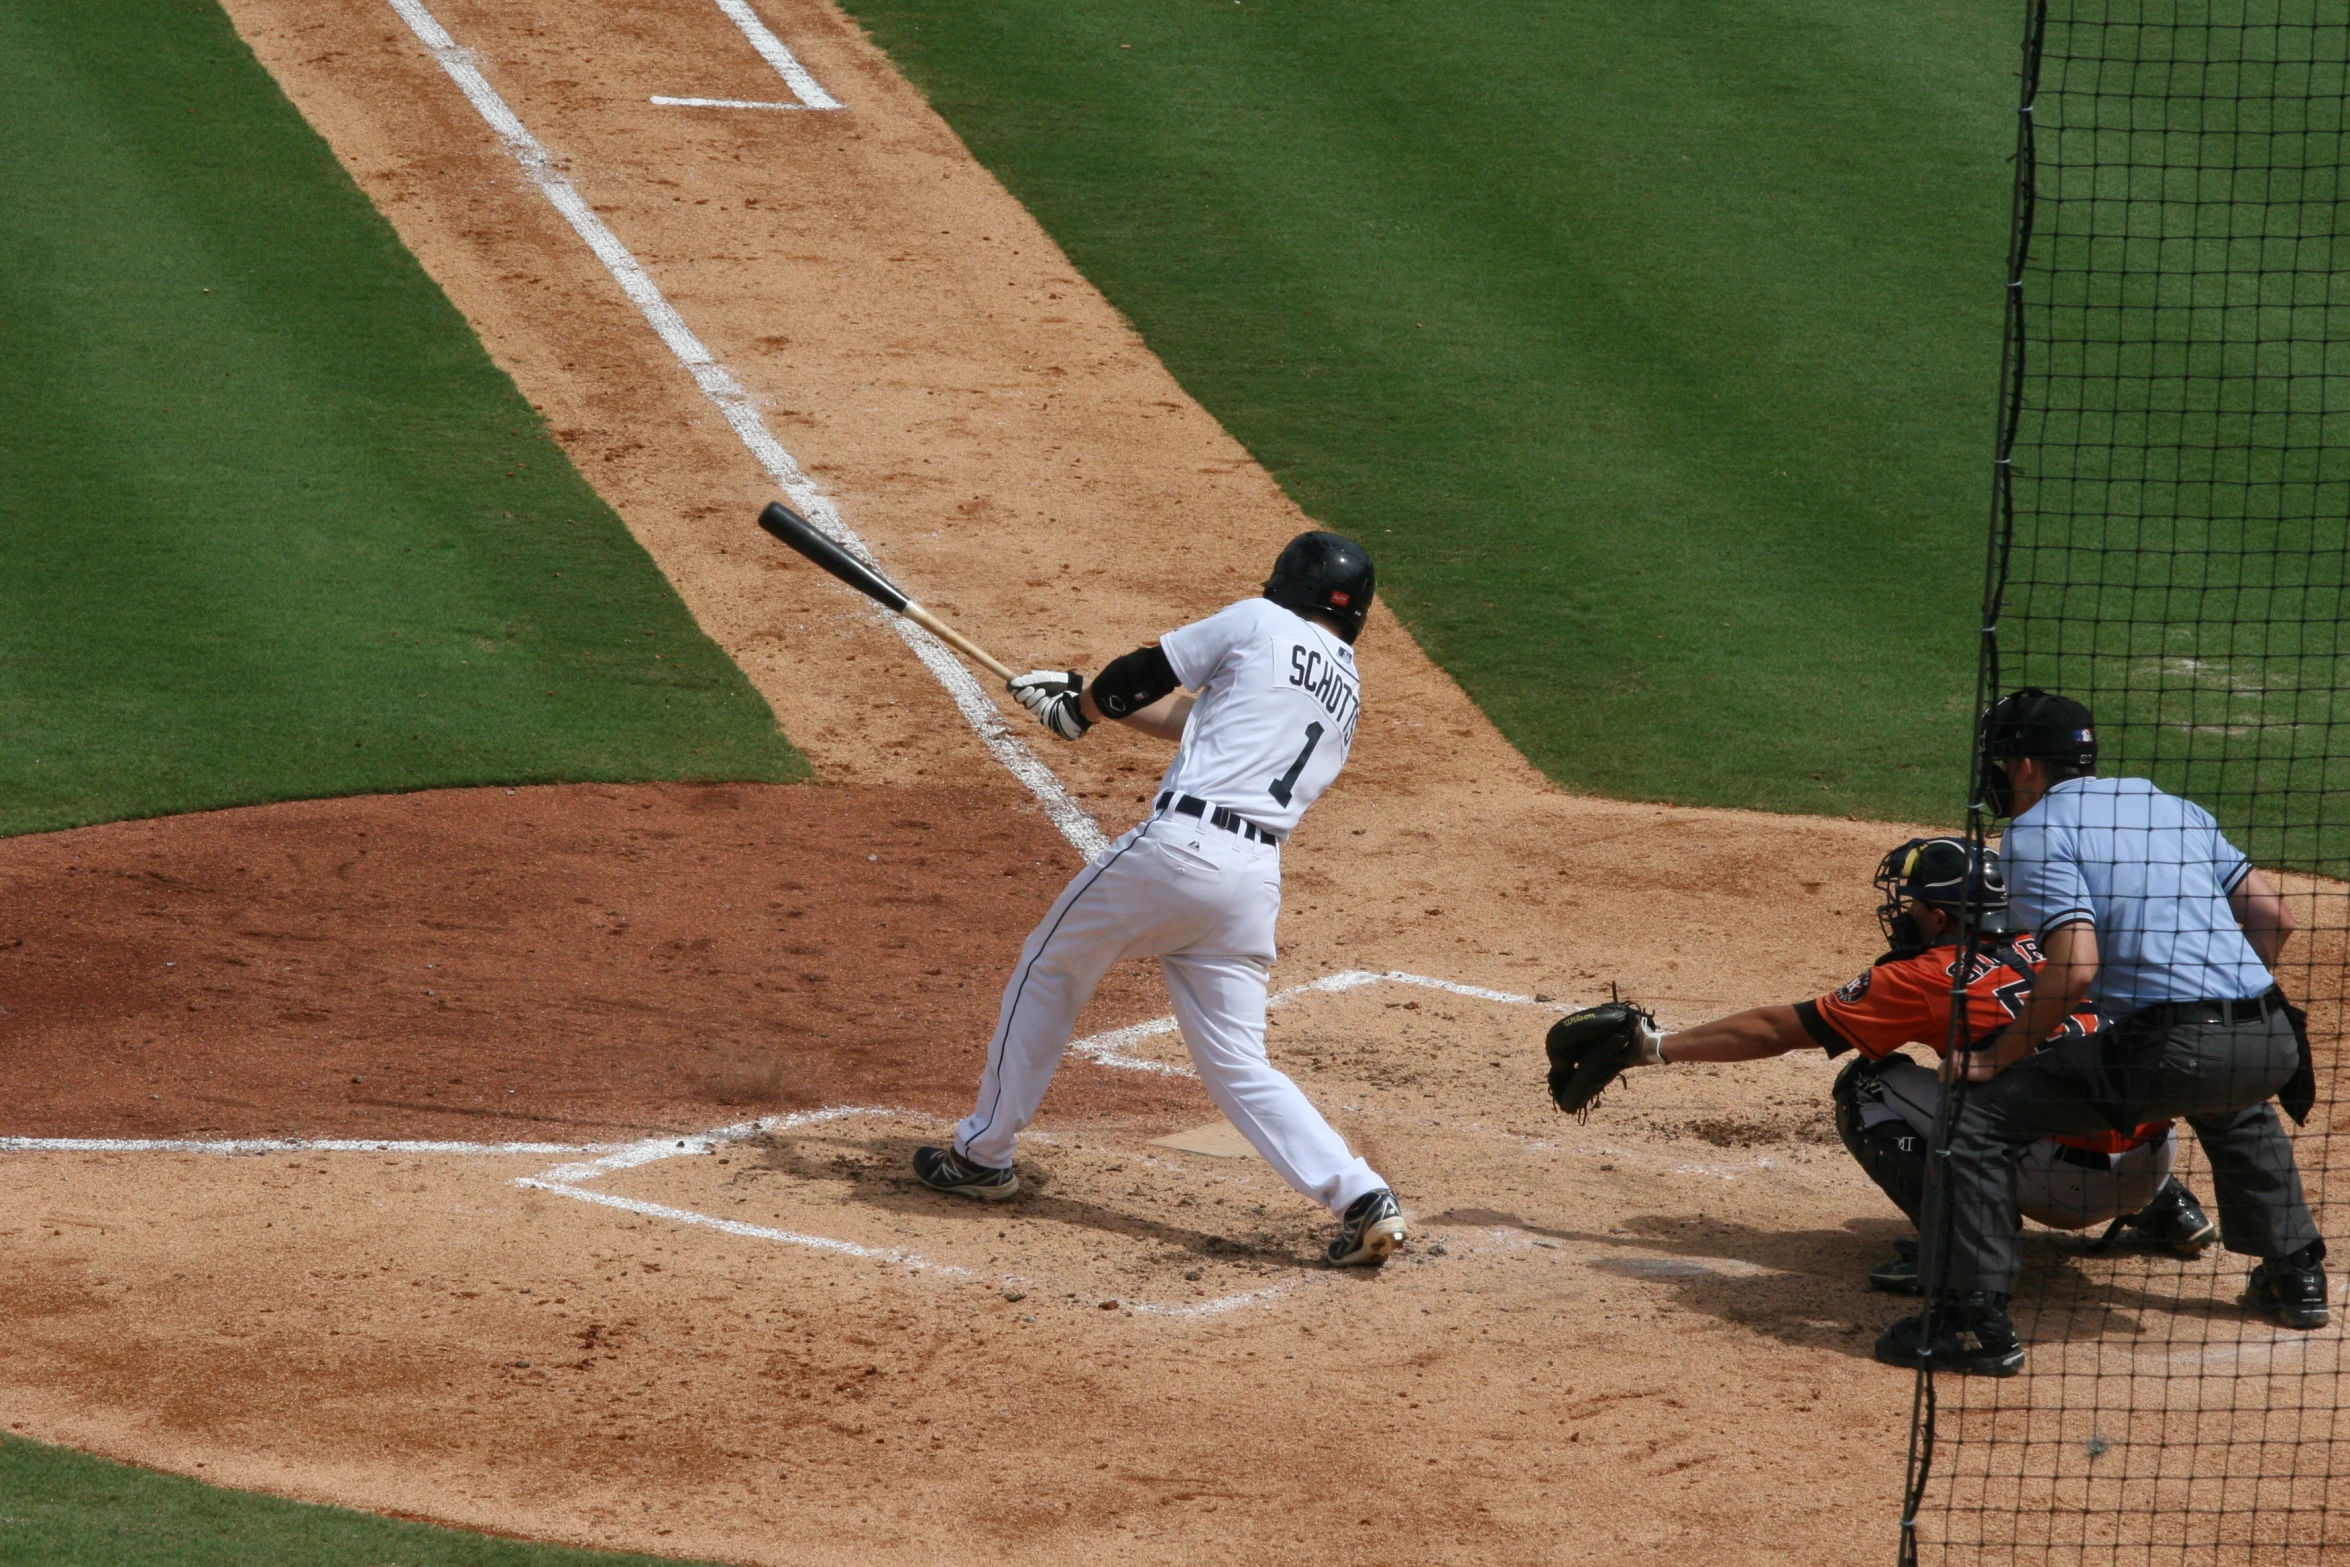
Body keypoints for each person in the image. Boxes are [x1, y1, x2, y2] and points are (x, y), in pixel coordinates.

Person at [909, 532, 1408, 1268]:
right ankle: (1361, 1194)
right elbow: (1195, 718)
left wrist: (1082, 709)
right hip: (1249, 884)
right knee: (1240, 1063)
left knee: (1049, 967)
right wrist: (1081, 691)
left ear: (1285, 584)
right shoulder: (1346, 687)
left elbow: (1147, 671)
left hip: (1178, 853)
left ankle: (983, 1153)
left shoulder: (1257, 621)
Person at [1875, 689, 2326, 1377]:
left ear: (2025, 763)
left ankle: (1972, 1321)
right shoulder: (2165, 802)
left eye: (2000, 758)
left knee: (1977, 1115)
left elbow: (2075, 968)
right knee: (2226, 1093)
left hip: (2174, 1046)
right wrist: (2226, 995)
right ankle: (2296, 1274)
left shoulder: (2034, 832)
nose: (1995, 772)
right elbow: (2275, 918)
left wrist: (1996, 1056)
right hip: (2272, 1037)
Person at [1629, 838, 2210, 1293]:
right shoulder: (2070, 944)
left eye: (1913, 904)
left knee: (1867, 1084)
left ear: (1939, 915)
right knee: (2090, 1062)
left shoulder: (1923, 977)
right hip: (2152, 1156)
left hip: (2060, 1185)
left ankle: (1962, 1251)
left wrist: (1657, 1046)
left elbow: (1776, 1030)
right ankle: (2168, 1207)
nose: (1904, 913)